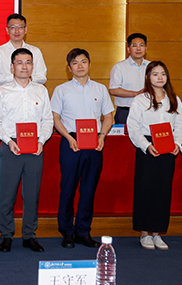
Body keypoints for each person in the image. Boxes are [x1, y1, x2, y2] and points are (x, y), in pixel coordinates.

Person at [0, 48, 53, 253]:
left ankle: (29, 236)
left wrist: (42, 141)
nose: (24, 66)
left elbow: (47, 120)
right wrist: (8, 140)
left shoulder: (41, 91)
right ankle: (6, 235)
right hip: (11, 146)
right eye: (19, 62)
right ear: (12, 66)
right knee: (7, 194)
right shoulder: (2, 91)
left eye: (28, 62)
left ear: (33, 66)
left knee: (32, 194)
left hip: (35, 147)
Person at [50, 48, 114, 249]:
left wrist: (102, 136)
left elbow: (108, 116)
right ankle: (67, 231)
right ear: (69, 68)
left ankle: (83, 232)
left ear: (89, 64)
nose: (80, 66)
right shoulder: (61, 90)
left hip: (94, 143)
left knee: (88, 189)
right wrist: (68, 137)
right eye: (75, 62)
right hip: (71, 141)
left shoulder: (100, 89)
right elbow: (55, 118)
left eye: (83, 61)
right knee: (68, 188)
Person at [127, 61, 182, 250]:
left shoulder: (174, 99)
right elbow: (133, 126)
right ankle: (144, 233)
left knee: (163, 191)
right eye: (155, 74)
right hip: (148, 148)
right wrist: (146, 145)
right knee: (145, 190)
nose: (159, 77)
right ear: (148, 77)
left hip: (168, 148)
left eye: (163, 73)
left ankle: (157, 233)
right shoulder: (140, 100)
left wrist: (177, 143)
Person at [0, 13, 46, 87]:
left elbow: (42, 78)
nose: (17, 31)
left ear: (25, 30)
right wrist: (15, 76)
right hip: (7, 93)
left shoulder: (35, 51)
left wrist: (28, 77)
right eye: (13, 27)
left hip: (30, 92)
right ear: (7, 30)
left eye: (20, 27)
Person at [109, 33, 150, 125]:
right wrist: (136, 94)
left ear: (146, 48)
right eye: (134, 45)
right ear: (128, 49)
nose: (138, 48)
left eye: (141, 45)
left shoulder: (151, 66)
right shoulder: (119, 67)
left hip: (148, 111)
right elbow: (113, 90)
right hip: (125, 112)